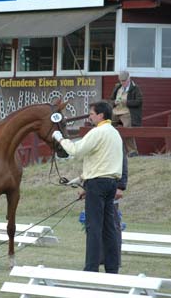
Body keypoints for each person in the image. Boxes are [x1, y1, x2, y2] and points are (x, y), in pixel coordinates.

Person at [52, 101, 123, 274]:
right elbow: (104, 161)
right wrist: (80, 178)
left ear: (100, 115)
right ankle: (112, 268)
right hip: (111, 183)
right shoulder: (115, 134)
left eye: (92, 113)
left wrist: (60, 138)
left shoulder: (97, 132)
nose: (90, 116)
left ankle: (91, 268)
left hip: (97, 184)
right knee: (109, 228)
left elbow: (75, 150)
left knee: (93, 227)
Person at [110, 70, 143, 157]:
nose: (122, 82)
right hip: (116, 111)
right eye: (121, 81)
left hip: (127, 112)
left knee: (128, 129)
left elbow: (139, 102)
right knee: (108, 127)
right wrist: (114, 102)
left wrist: (127, 102)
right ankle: (110, 150)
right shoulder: (117, 87)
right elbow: (111, 100)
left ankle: (132, 151)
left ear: (129, 78)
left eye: (124, 81)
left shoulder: (135, 88)